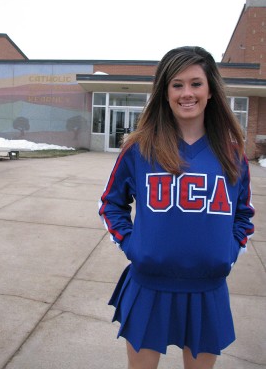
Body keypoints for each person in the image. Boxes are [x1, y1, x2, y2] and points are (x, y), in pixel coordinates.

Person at [99, 46, 255, 369]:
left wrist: (228, 249)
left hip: (207, 291)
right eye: (177, 84)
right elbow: (111, 204)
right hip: (149, 286)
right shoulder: (139, 148)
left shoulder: (231, 152)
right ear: (165, 91)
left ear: (210, 90)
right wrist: (134, 244)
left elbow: (244, 214)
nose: (187, 93)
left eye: (196, 83)